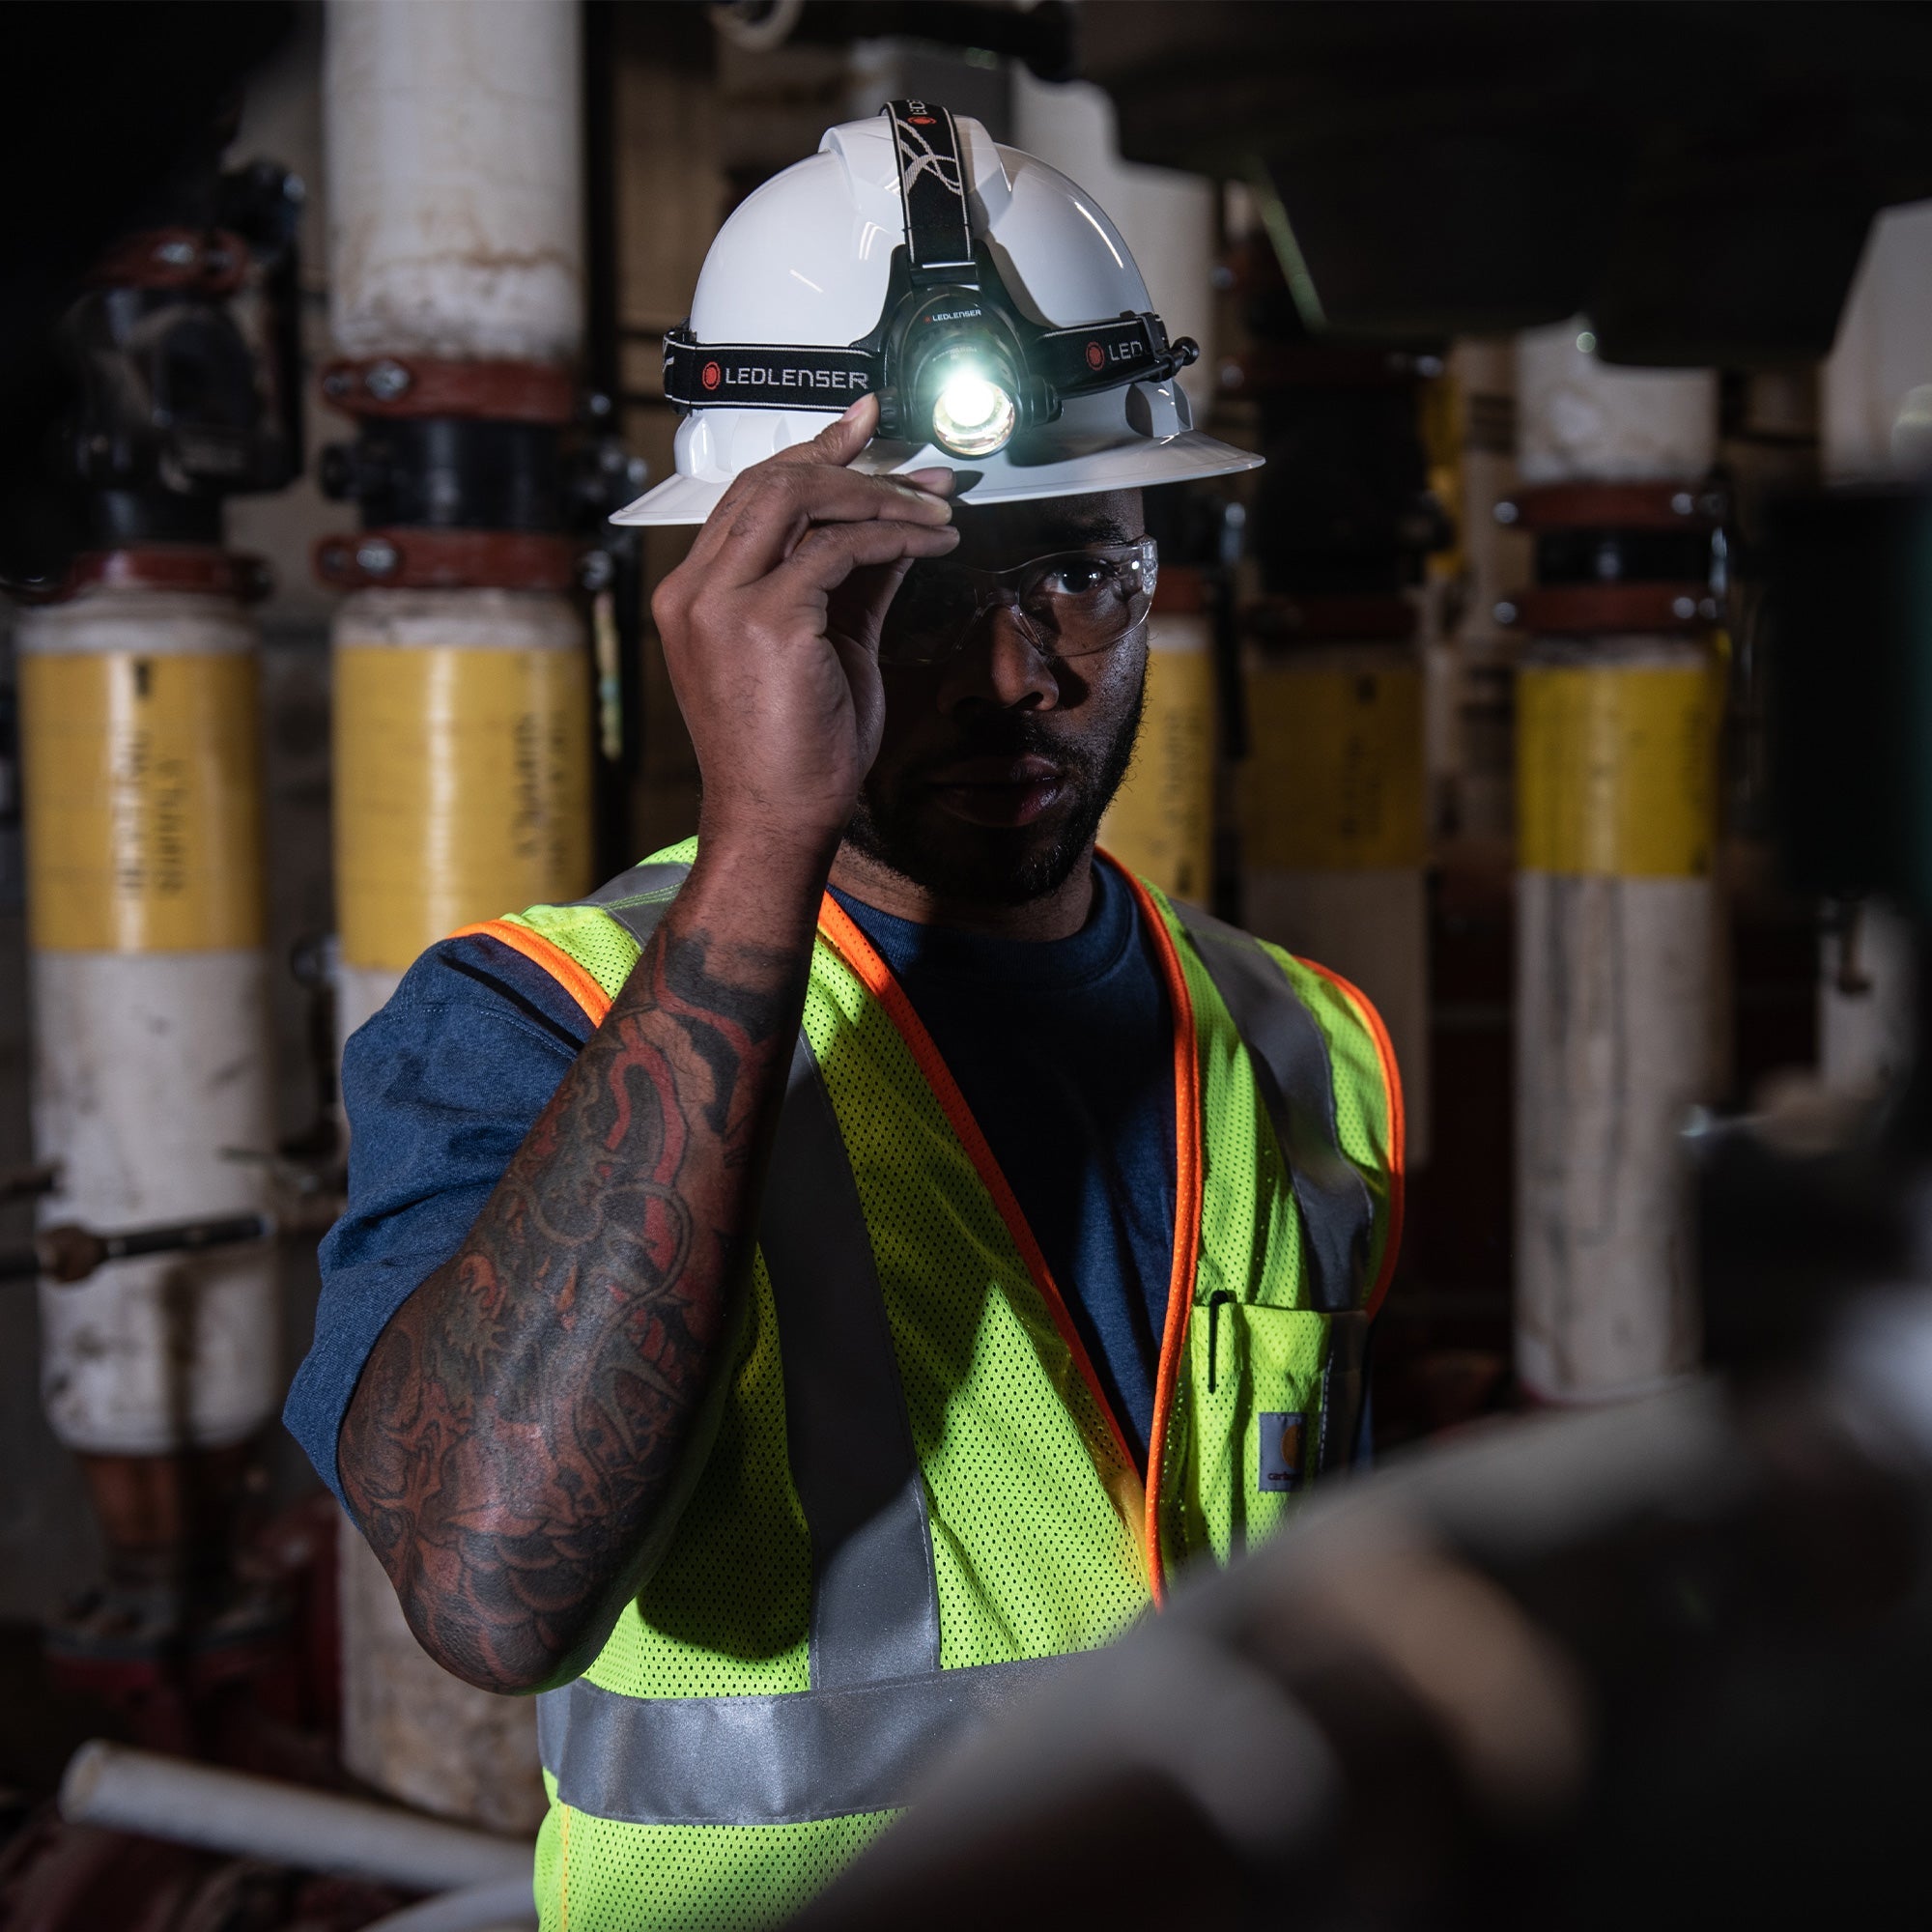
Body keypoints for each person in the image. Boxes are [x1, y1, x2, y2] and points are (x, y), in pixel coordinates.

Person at [288, 101, 1402, 1932]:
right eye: (913, 596)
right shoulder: (531, 1023)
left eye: (1085, 576)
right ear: (743, 605)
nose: (1026, 675)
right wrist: (763, 841)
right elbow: (490, 1589)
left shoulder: (1299, 1045)